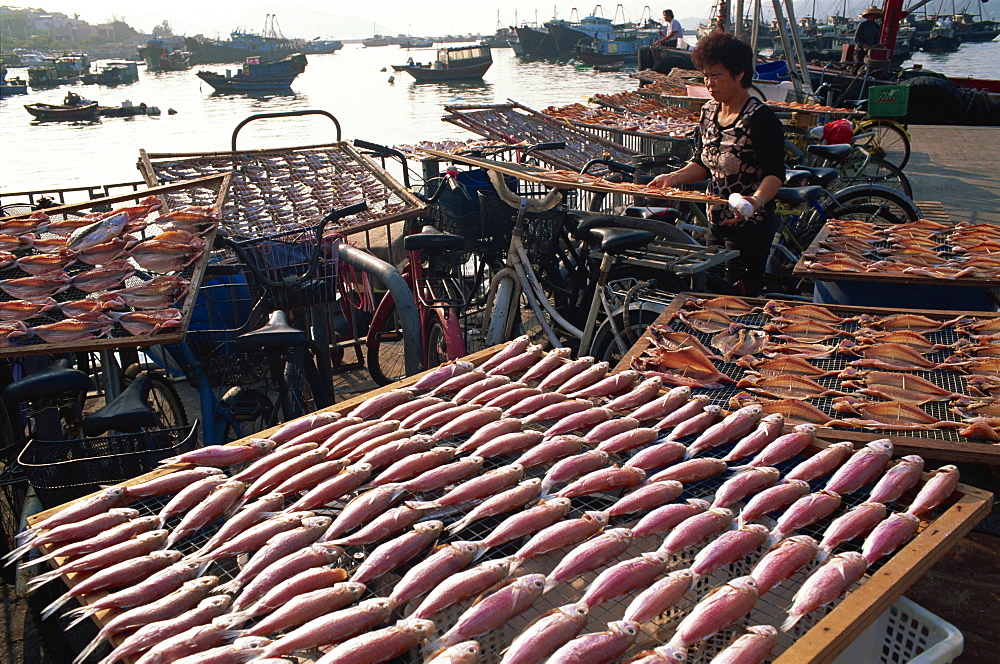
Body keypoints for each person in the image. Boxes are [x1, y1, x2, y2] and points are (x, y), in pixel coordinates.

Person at [649, 32, 784, 296]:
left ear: (739, 74)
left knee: (741, 298)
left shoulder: (760, 118)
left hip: (749, 227)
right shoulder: (708, 112)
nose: (709, 83)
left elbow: (775, 174)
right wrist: (673, 178)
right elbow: (702, 163)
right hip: (716, 221)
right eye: (706, 76)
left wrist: (755, 202)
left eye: (716, 75)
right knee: (710, 292)